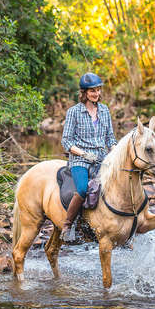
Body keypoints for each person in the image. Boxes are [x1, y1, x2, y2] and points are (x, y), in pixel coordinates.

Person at [60, 72, 117, 240]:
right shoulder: (74, 112)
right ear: (84, 92)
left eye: (98, 90)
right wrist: (85, 154)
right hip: (80, 159)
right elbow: (66, 142)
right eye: (92, 91)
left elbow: (110, 138)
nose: (96, 94)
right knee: (84, 189)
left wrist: (115, 151)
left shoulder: (105, 110)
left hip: (102, 158)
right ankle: (68, 225)